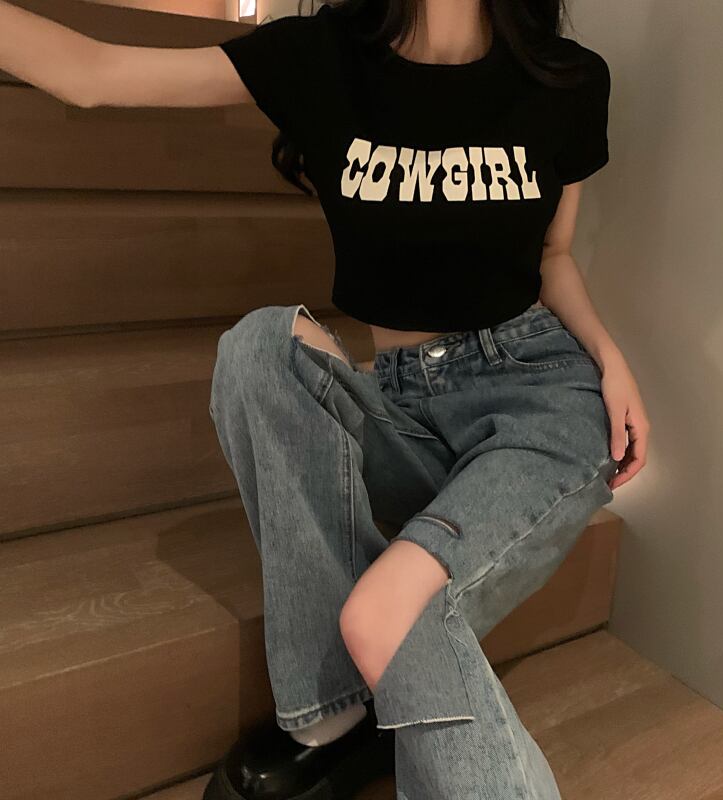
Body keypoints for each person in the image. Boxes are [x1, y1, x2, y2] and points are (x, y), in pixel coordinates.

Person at [0, 0, 650, 797]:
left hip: (541, 401)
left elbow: (552, 255)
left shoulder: (566, 79)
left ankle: (370, 666)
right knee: (259, 347)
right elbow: (90, 72)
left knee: (389, 614)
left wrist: (611, 362)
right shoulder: (326, 56)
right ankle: (334, 709)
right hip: (404, 406)